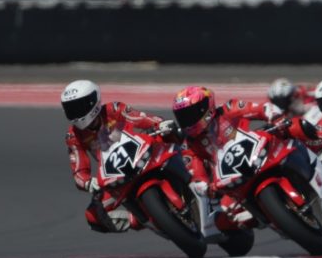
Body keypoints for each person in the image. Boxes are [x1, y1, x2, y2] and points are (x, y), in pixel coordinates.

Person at [61, 79, 177, 233]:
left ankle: (194, 171)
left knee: (172, 134)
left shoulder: (113, 109)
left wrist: (158, 123)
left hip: (140, 151)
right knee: (93, 216)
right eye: (71, 109)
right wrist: (88, 183)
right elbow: (78, 170)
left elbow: (139, 117)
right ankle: (140, 218)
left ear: (93, 102)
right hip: (115, 173)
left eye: (79, 106)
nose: (76, 113)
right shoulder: (73, 136)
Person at [171, 85, 288, 230]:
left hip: (259, 153)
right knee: (222, 220)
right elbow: (196, 174)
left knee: (295, 127)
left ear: (205, 107)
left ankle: (312, 157)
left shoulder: (229, 108)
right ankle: (264, 217)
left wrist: (274, 116)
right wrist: (204, 187)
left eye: (191, 113)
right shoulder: (190, 144)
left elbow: (261, 108)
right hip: (234, 180)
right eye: (183, 117)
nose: (188, 120)